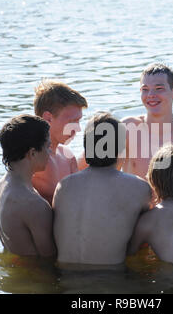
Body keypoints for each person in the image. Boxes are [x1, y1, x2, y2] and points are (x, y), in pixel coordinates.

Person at [53, 112, 152, 267]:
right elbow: (145, 242)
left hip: (66, 279)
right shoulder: (139, 188)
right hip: (110, 280)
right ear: (120, 148)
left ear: (87, 148)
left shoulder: (64, 185)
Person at [78, 63, 173, 179]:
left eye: (159, 88)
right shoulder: (127, 127)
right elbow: (81, 166)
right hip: (132, 203)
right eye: (145, 89)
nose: (151, 94)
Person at [0, 114, 56, 258]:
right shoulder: (34, 205)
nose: (50, 152)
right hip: (36, 278)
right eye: (48, 146)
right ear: (32, 153)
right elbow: (49, 260)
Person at [32, 80, 88, 205]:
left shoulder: (68, 157)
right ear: (48, 118)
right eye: (72, 121)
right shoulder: (30, 160)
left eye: (79, 121)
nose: (78, 128)